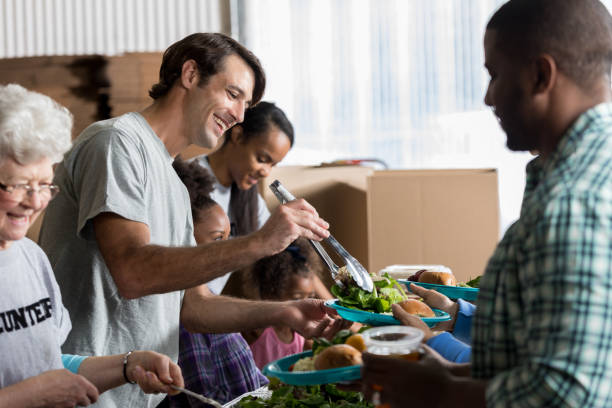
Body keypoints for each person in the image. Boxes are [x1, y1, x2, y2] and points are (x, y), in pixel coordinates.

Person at [38, 33, 346, 408]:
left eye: (246, 105)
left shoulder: (174, 180)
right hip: (82, 392)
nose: (238, 115)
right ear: (189, 74)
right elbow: (133, 272)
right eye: (233, 94)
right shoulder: (117, 143)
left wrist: (284, 311)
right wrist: (260, 242)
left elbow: (193, 306)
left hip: (132, 397)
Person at [362, 1, 612, 406]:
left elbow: (565, 395)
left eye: (495, 75)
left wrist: (441, 392)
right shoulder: (586, 175)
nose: (488, 96)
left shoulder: (571, 204)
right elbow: (556, 362)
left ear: (539, 75)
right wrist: (448, 373)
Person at [0, 83, 184, 407]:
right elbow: (41, 385)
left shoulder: (32, 260)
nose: (34, 201)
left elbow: (54, 366)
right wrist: (31, 395)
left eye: (44, 185)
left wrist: (127, 366)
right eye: (17, 185)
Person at [192, 101, 332, 299]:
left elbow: (289, 254)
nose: (266, 171)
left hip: (206, 303)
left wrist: (336, 308)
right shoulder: (190, 183)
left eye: (273, 164)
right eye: (262, 159)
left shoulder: (248, 197)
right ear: (237, 136)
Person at [166, 158, 267, 406]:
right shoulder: (187, 319)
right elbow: (205, 395)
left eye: (228, 238)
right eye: (217, 238)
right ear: (184, 237)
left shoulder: (210, 299)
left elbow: (255, 381)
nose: (226, 249)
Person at [242, 238, 317, 369]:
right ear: (270, 294)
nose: (306, 306)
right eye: (297, 298)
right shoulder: (257, 330)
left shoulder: (301, 336)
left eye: (310, 297)